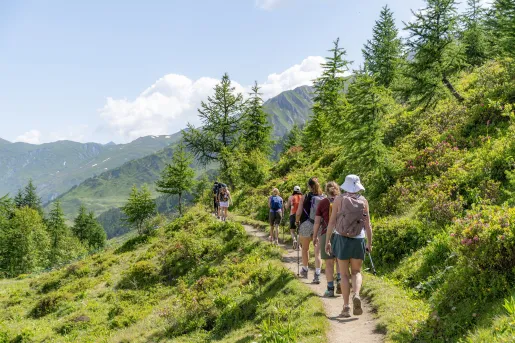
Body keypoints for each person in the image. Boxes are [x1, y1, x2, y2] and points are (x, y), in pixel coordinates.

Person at [325, 175, 373, 318]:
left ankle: (346, 307)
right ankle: (356, 294)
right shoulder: (364, 201)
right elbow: (367, 225)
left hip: (341, 239)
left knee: (344, 274)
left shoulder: (338, 199)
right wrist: (369, 243)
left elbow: (332, 222)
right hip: (358, 239)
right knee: (356, 272)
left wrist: (328, 240)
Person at [313, 181, 341, 297]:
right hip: (341, 234)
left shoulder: (322, 202)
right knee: (340, 260)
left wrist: (314, 236)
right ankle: (340, 281)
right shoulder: (342, 200)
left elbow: (317, 222)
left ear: (326, 190)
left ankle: (330, 289)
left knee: (329, 263)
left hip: (326, 234)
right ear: (337, 189)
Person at [295, 177, 326, 282]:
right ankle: (317, 275)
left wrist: (297, 221)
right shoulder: (324, 197)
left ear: (309, 186)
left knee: (305, 249)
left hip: (306, 225)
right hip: (320, 226)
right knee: (318, 253)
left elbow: (298, 213)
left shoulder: (305, 197)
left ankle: (305, 270)